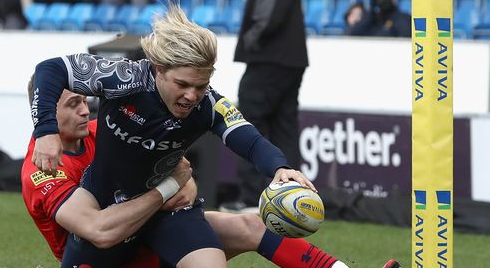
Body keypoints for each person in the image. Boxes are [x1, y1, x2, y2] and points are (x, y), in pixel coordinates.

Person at [30, 4, 316, 267]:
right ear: (159, 69)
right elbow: (50, 69)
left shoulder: (209, 105)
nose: (192, 95)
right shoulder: (124, 78)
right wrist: (45, 130)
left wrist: (280, 167)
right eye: (182, 84)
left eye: (201, 85)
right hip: (108, 209)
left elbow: (249, 139)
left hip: (168, 211)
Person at [23, 85, 378, 268]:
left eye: (86, 100)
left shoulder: (109, 131)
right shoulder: (38, 172)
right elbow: (101, 230)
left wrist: (177, 183)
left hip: (148, 233)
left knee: (251, 226)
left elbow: (186, 182)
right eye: (73, 104)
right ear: (45, 112)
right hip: (105, 258)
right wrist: (167, 188)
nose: (86, 109)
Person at [225, 0, 308, 212]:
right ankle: (292, 200)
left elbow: (269, 13)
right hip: (288, 58)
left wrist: (250, 40)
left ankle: (251, 199)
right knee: (284, 127)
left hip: (269, 58)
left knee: (250, 124)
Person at [346, 0, 411, 37]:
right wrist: (370, 11)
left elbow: (406, 39)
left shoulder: (402, 18)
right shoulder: (371, 20)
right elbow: (351, 34)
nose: (384, 1)